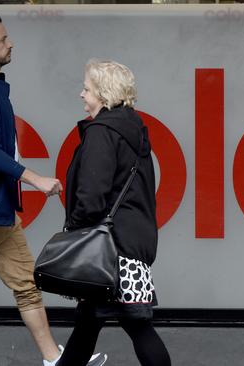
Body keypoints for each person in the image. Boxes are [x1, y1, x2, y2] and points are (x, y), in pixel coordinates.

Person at [0, 13, 106, 366]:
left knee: (27, 286)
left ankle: (53, 359)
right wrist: (37, 180)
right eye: (3, 39)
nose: (10, 43)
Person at [57, 59, 171, 366]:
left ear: (103, 94)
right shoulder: (133, 129)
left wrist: (76, 228)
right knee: (89, 325)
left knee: (135, 324)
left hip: (108, 250)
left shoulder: (102, 132)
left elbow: (92, 195)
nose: (82, 95)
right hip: (127, 244)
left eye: (87, 89)